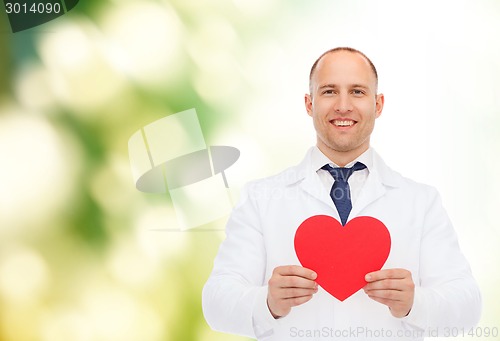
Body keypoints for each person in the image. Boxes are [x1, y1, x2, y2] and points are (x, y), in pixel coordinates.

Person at [202, 47, 481, 340]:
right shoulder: (261, 198)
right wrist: (267, 302)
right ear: (309, 104)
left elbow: (468, 305)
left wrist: (416, 303)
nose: (343, 106)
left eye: (358, 92)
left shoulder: (421, 202)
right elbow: (216, 302)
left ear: (379, 104)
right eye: (329, 91)